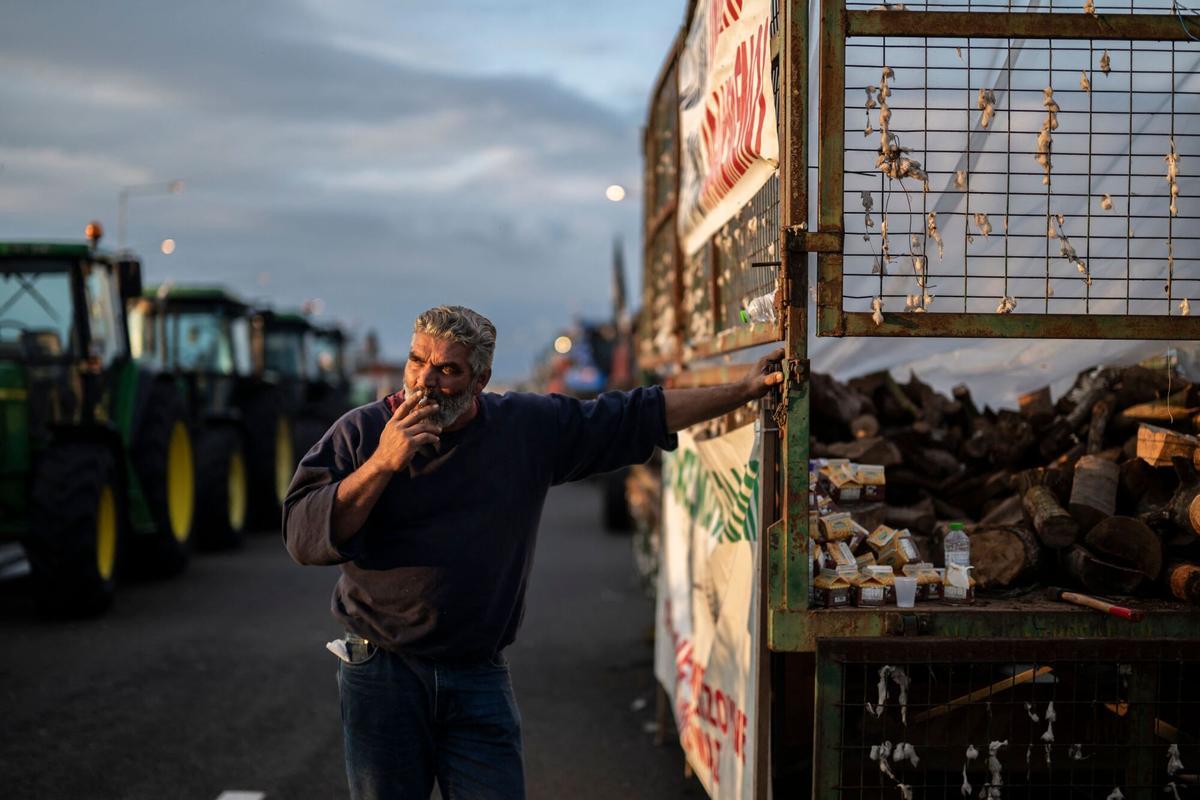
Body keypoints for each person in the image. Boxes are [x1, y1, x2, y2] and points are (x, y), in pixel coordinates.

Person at [283, 305, 783, 800]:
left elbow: (635, 415)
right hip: (382, 673)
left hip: (477, 673)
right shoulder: (361, 432)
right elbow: (304, 536)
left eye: (447, 369)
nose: (424, 381)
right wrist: (382, 463)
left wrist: (742, 391)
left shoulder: (524, 427)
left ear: (481, 380)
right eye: (417, 361)